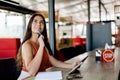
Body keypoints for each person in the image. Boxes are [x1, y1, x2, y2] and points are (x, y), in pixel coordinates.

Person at [17, 14, 77, 79]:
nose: (39, 24)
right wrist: (41, 47)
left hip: (40, 76)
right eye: (35, 21)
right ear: (30, 25)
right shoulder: (27, 45)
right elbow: (32, 72)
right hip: (27, 77)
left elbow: (55, 62)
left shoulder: (43, 44)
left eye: (41, 22)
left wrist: (72, 65)